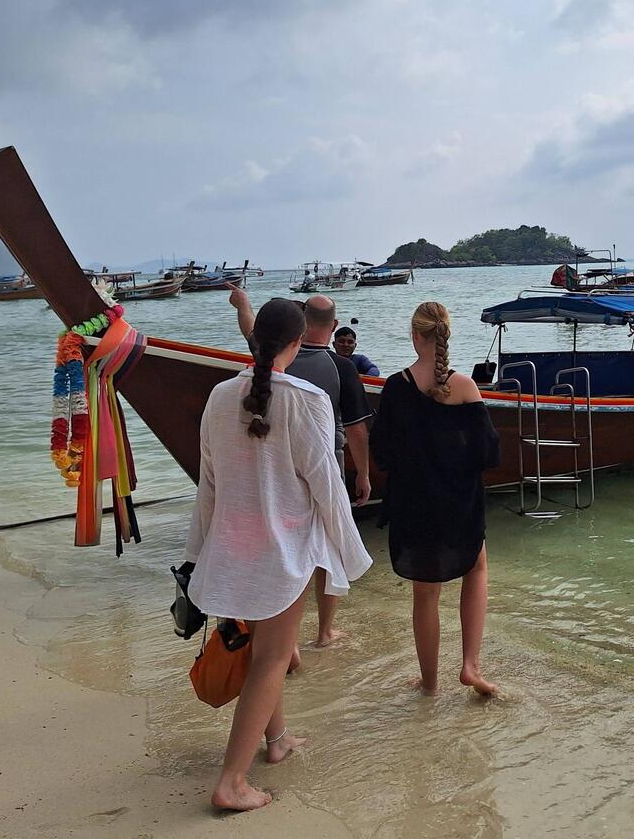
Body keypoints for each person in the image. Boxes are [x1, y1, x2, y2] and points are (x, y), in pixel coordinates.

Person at [184, 297, 372, 812]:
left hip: (233, 543)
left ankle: (278, 739)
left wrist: (199, 550)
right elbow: (325, 482)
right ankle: (232, 781)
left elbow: (209, 481)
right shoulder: (307, 399)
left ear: (257, 340)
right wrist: (349, 550)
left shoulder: (220, 395)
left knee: (260, 652)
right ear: (297, 342)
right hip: (286, 548)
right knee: (272, 658)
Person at [370, 301, 500, 697]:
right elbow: (488, 453)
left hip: (413, 504)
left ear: (415, 336)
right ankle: (470, 666)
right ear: (447, 335)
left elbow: (382, 454)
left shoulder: (395, 387)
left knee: (425, 594)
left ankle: (429, 684)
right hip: (458, 502)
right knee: (476, 569)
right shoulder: (465, 387)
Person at [230, 287, 371, 651]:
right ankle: (324, 633)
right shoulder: (341, 367)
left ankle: (283, 637)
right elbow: (356, 428)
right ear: (333, 326)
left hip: (276, 468)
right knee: (328, 548)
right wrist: (364, 474)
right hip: (325, 468)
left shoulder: (270, 357)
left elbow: (251, 329)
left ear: (303, 323)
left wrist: (243, 304)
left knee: (282, 545)